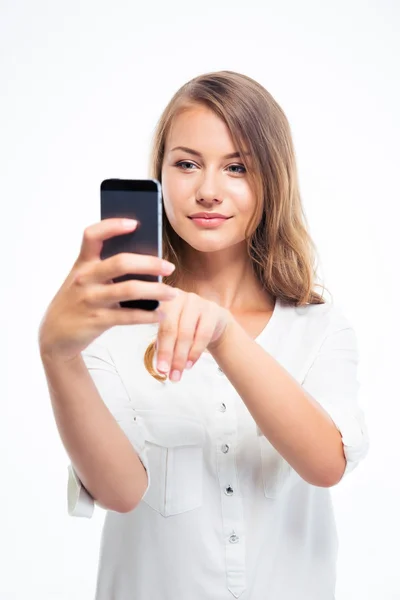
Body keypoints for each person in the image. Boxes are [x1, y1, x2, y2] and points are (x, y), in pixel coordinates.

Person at [39, 70, 369, 600]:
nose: (209, 191)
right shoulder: (112, 327)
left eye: (236, 167)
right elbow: (120, 492)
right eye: (187, 164)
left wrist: (224, 333)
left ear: (272, 181)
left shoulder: (319, 328)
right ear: (160, 176)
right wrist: (58, 355)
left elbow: (325, 463)